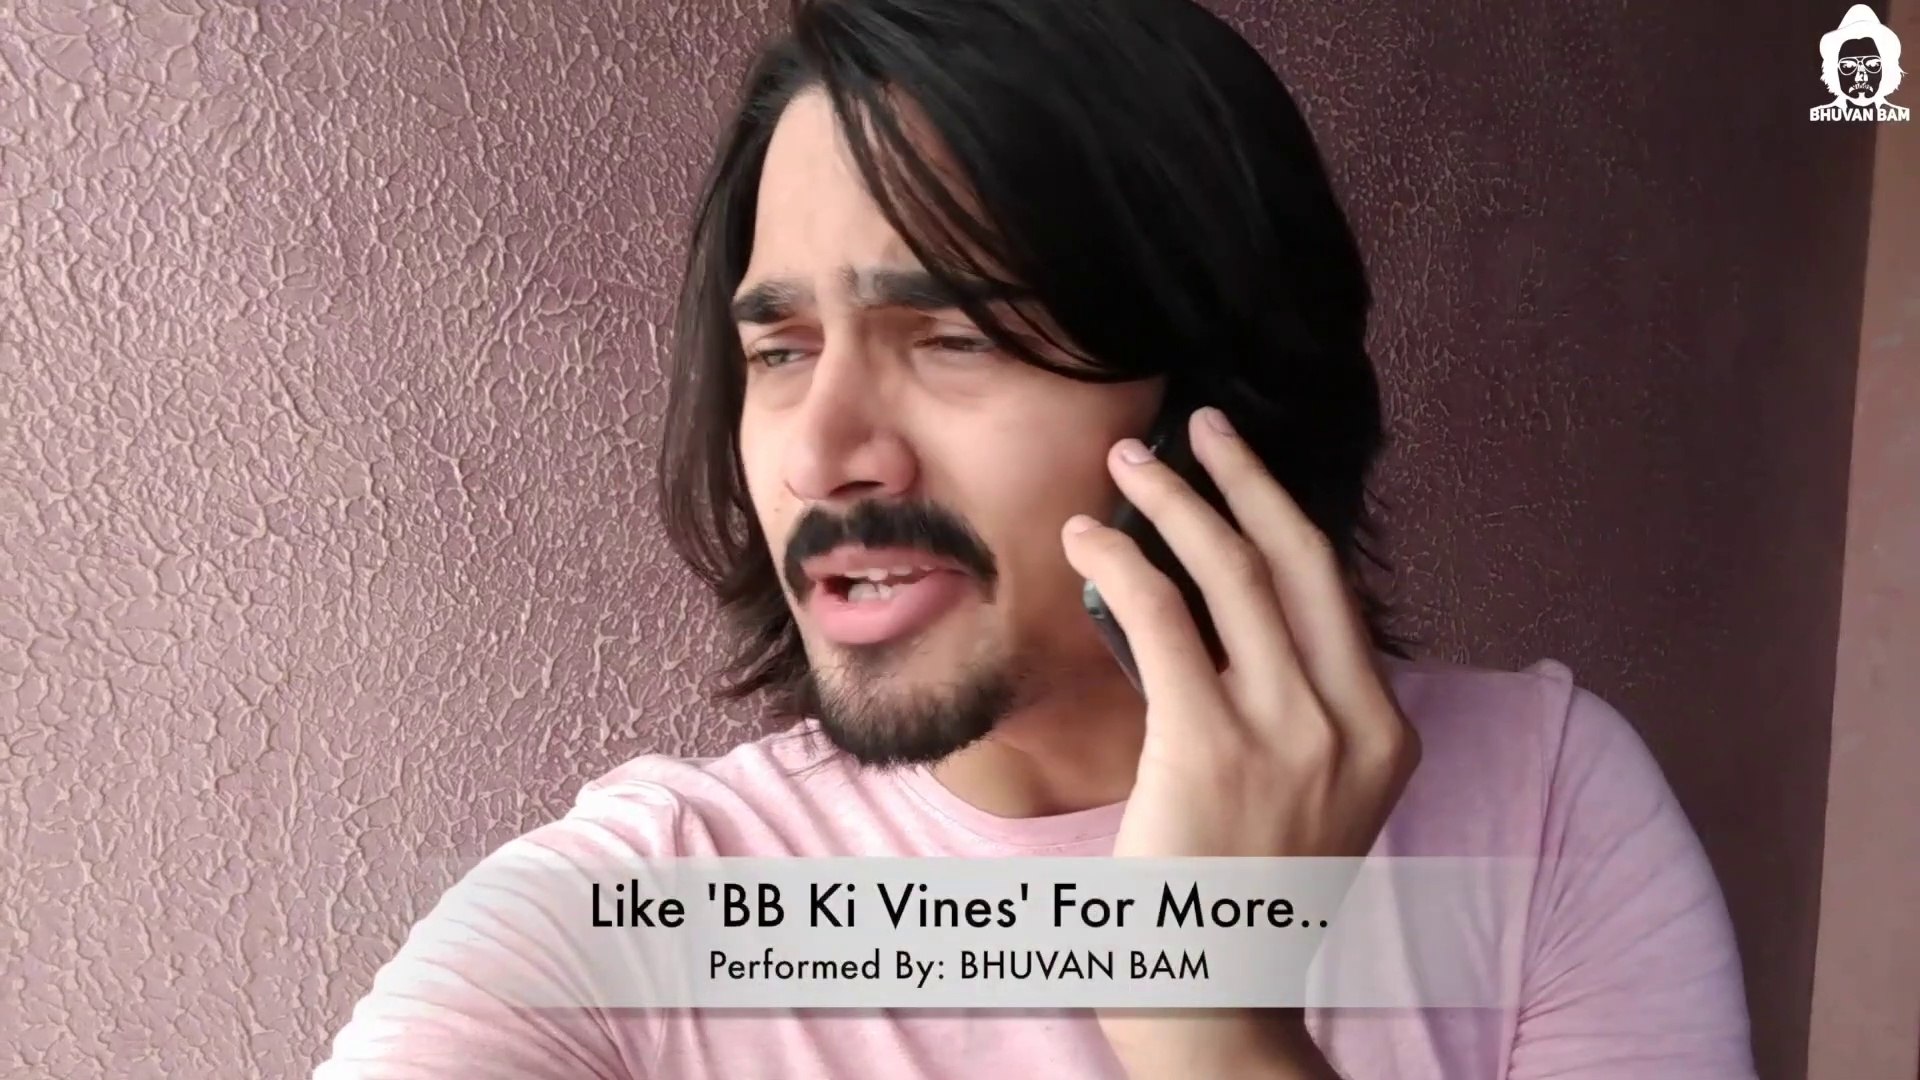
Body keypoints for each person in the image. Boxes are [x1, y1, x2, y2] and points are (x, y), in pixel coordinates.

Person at [316, 0, 1758, 1076]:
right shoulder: (638, 917)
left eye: (955, 336)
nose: (820, 454)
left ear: (1216, 402)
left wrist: (1212, 1022)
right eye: (780, 352)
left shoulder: (1544, 812)